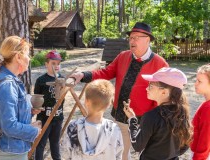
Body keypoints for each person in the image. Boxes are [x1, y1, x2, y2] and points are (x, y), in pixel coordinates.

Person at [71, 22, 169, 160]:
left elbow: (165, 96)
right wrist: (83, 75)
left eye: (136, 38)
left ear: (147, 40)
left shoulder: (160, 64)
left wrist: (157, 120)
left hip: (145, 121)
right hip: (120, 117)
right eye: (131, 38)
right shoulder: (123, 56)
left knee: (146, 155)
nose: (132, 41)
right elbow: (106, 72)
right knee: (121, 152)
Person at [0, 36, 41, 160]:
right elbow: (9, 126)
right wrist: (34, 131)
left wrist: (28, 111)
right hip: (10, 152)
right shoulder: (8, 84)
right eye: (28, 54)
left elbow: (6, 114)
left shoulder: (4, 78)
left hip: (10, 149)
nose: (29, 58)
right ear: (18, 57)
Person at [123, 67, 192, 159]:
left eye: (151, 86)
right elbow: (187, 142)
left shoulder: (151, 116)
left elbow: (137, 145)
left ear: (164, 92)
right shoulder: (182, 112)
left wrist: (132, 120)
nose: (147, 88)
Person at [61, 79, 124, 160]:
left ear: (86, 101)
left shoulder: (73, 126)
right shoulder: (114, 129)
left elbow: (65, 154)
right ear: (109, 104)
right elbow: (118, 155)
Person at [34, 50, 64, 160]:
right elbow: (36, 98)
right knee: (40, 143)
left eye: (58, 63)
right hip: (44, 118)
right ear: (46, 64)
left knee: (55, 143)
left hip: (58, 117)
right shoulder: (41, 80)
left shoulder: (63, 79)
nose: (56, 66)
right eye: (53, 63)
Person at [191, 64, 210, 159]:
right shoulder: (206, 105)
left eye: (199, 81)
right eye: (196, 80)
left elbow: (205, 140)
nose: (195, 84)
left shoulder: (208, 108)